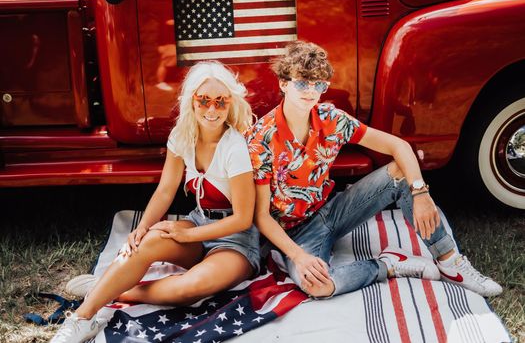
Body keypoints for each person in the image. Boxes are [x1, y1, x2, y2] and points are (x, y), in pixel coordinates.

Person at [245, 40, 502, 299]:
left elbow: (399, 146)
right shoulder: (261, 138)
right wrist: (299, 256)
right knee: (318, 287)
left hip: (331, 211)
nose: (311, 91)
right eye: (302, 83)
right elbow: (261, 216)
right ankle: (389, 264)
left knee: (401, 172)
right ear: (283, 83)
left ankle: (450, 262)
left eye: (319, 85)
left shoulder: (332, 119)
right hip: (294, 232)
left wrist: (420, 192)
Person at [51, 61, 260, 343]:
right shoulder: (183, 135)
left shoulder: (233, 146)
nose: (212, 110)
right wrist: (143, 228)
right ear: (192, 101)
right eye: (204, 100)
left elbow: (243, 218)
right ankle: (82, 319)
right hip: (200, 222)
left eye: (221, 102)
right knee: (144, 244)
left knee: (191, 287)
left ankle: (110, 288)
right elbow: (165, 190)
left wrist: (187, 233)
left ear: (230, 104)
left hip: (236, 239)